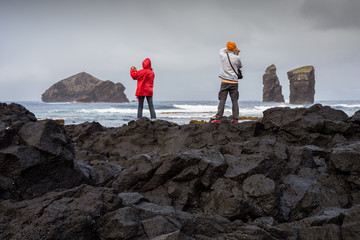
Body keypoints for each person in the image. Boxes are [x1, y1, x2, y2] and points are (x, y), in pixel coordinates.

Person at [211, 41, 242, 123]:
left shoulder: (223, 55)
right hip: (234, 82)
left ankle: (218, 118)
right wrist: (236, 53)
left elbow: (221, 50)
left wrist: (229, 49)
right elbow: (240, 66)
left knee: (222, 100)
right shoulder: (237, 58)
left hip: (224, 81)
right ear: (234, 48)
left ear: (228, 48)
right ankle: (235, 119)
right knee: (234, 101)